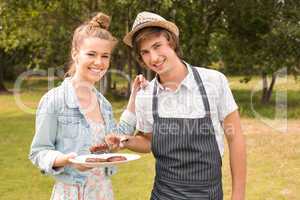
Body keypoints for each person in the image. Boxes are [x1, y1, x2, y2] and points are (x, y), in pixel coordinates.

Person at [106, 11, 246, 200]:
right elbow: (148, 141)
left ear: (171, 42)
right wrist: (126, 140)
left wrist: (238, 196)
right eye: (145, 52)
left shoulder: (213, 81)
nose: (153, 58)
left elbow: (235, 139)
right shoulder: (146, 95)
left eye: (157, 46)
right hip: (163, 194)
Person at [29, 12, 145, 200]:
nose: (99, 62)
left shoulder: (104, 104)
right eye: (91, 54)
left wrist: (134, 97)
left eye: (105, 56)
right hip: (72, 193)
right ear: (75, 54)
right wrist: (68, 161)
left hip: (103, 192)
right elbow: (39, 152)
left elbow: (116, 137)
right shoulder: (55, 100)